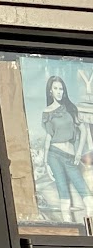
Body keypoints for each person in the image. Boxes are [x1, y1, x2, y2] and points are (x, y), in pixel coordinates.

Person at [39, 74, 89, 225]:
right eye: (55, 88)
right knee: (63, 190)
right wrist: (46, 162)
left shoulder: (70, 109)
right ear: (50, 91)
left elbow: (84, 130)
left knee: (85, 191)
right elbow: (48, 137)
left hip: (70, 155)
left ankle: (90, 226)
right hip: (54, 154)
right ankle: (68, 225)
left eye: (61, 89)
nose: (59, 91)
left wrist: (78, 152)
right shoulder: (47, 112)